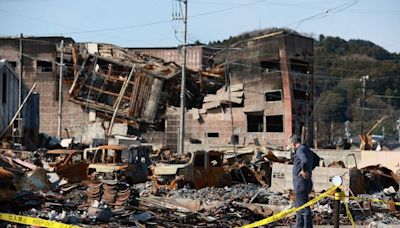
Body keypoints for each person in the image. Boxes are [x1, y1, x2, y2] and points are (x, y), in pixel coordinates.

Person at [290, 134, 314, 228]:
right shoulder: (306, 149)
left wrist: (304, 170)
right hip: (306, 182)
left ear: (294, 143)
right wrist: (309, 170)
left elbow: (304, 160)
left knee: (303, 209)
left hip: (300, 183)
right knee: (299, 207)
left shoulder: (300, 150)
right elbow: (315, 159)